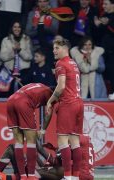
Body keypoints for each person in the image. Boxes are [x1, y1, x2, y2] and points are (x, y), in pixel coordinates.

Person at [46, 38, 84, 180]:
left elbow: (61, 86)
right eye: (54, 48)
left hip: (68, 104)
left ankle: (67, 177)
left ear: (65, 48)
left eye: (57, 48)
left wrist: (50, 101)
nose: (54, 51)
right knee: (75, 141)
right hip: (79, 103)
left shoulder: (61, 63)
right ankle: (75, 177)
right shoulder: (73, 63)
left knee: (63, 141)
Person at [0, 134, 94, 180]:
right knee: (13, 149)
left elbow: (54, 162)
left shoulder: (73, 138)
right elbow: (48, 164)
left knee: (13, 148)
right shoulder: (84, 139)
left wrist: (39, 147)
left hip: (77, 176)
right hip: (83, 175)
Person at [7, 83, 53, 179]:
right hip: (23, 102)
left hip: (11, 100)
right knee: (31, 141)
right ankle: (31, 176)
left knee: (18, 142)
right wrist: (43, 130)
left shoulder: (40, 86)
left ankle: (23, 176)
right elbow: (48, 113)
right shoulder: (52, 94)